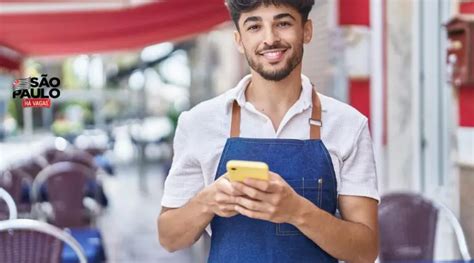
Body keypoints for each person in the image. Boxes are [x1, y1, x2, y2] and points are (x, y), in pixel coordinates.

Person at [158, 1, 379, 262]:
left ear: (307, 31)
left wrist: (296, 211)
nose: (270, 39)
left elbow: (365, 250)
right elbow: (169, 238)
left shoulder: (348, 125)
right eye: (254, 26)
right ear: (239, 40)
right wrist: (207, 202)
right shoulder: (198, 123)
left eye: (283, 23)